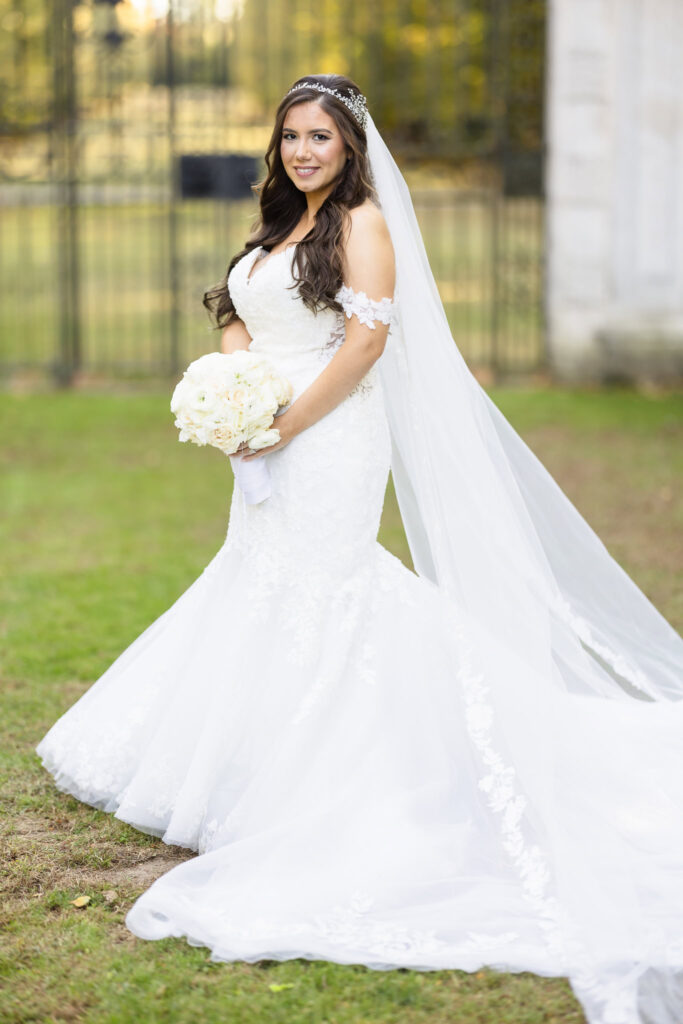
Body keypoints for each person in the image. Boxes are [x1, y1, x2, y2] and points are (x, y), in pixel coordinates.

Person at [35, 74, 683, 1024]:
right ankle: (243, 763)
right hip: (268, 430)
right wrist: (233, 384)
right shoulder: (279, 223)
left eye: (320, 140)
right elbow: (239, 307)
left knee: (326, 584)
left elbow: (365, 347)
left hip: (328, 434)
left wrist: (283, 423)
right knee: (258, 578)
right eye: (291, 136)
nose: (302, 152)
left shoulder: (363, 223)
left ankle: (334, 775)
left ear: (350, 149)